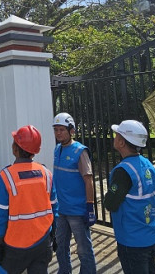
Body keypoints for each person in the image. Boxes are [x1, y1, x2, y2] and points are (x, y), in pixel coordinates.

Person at [0, 125, 58, 274]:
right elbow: (55, 208)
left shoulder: (6, 176)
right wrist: (54, 234)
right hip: (43, 241)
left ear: (15, 149)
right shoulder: (46, 173)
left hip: (15, 244)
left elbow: (1, 213)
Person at [104, 120, 155, 274]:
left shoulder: (123, 171)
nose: (114, 138)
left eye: (117, 135)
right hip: (151, 236)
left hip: (132, 241)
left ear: (121, 142)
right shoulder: (148, 165)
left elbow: (110, 203)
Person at [51, 112, 97, 274]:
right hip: (61, 211)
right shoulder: (57, 149)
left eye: (61, 130)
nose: (58, 133)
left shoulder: (80, 151)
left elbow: (88, 180)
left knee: (84, 249)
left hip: (77, 211)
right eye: (56, 130)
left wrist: (90, 208)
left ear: (71, 130)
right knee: (61, 247)